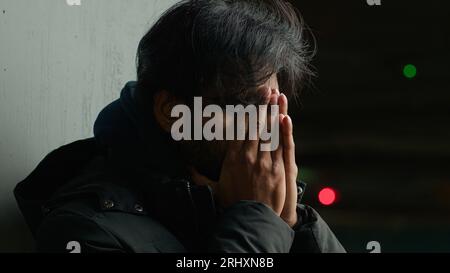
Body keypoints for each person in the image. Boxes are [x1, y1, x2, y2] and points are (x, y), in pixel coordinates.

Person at [14, 0, 345, 253]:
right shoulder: (84, 231)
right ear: (171, 111)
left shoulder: (243, 205)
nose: (263, 127)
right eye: (246, 106)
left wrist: (293, 225)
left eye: (273, 108)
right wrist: (259, 222)